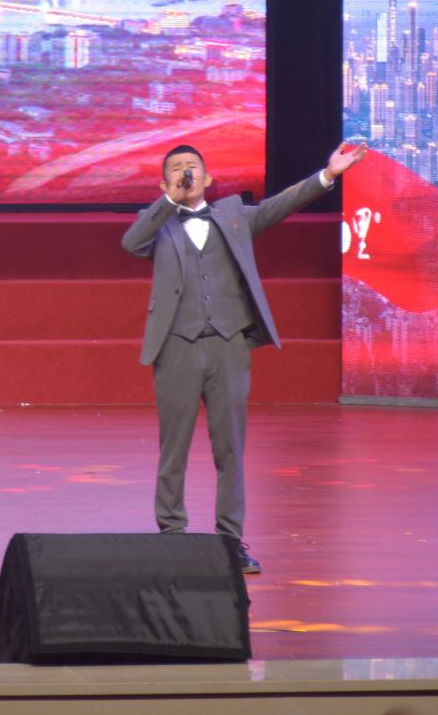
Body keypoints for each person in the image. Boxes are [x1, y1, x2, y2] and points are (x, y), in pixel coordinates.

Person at [122, 140, 363, 573]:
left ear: (208, 177)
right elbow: (131, 243)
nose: (185, 171)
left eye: (192, 165)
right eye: (176, 167)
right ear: (164, 183)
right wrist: (168, 202)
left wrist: (327, 176)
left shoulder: (234, 215)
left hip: (228, 344)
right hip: (176, 345)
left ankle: (230, 540)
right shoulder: (156, 221)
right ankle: (172, 534)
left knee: (230, 447)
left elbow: (280, 205)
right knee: (173, 446)